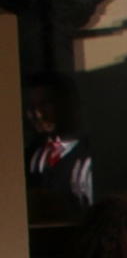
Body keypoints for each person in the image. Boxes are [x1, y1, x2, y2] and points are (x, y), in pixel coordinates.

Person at [23, 79, 94, 218]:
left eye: (44, 104)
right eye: (32, 107)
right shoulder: (33, 156)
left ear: (69, 103)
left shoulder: (87, 157)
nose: (38, 114)